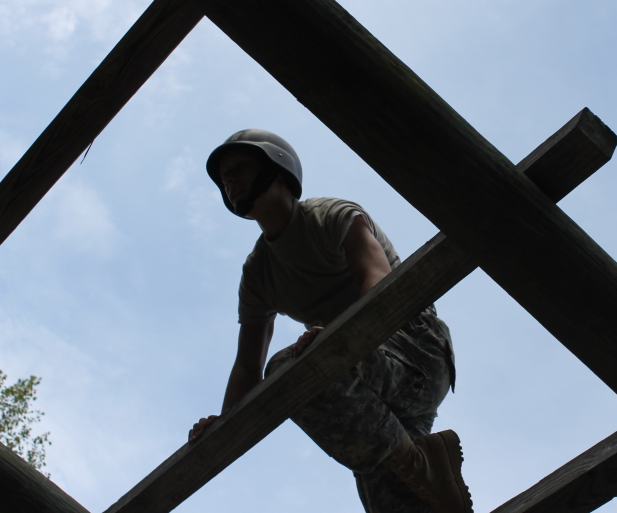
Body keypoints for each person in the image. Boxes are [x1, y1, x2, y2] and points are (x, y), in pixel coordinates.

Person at [188, 130, 472, 513]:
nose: (230, 182)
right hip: (359, 377)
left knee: (289, 370)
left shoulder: (330, 216)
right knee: (392, 493)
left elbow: (380, 285)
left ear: (278, 170)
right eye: (224, 178)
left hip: (411, 346)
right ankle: (423, 466)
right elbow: (246, 365)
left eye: (239, 168)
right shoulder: (259, 273)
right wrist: (223, 429)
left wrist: (334, 346)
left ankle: (419, 465)